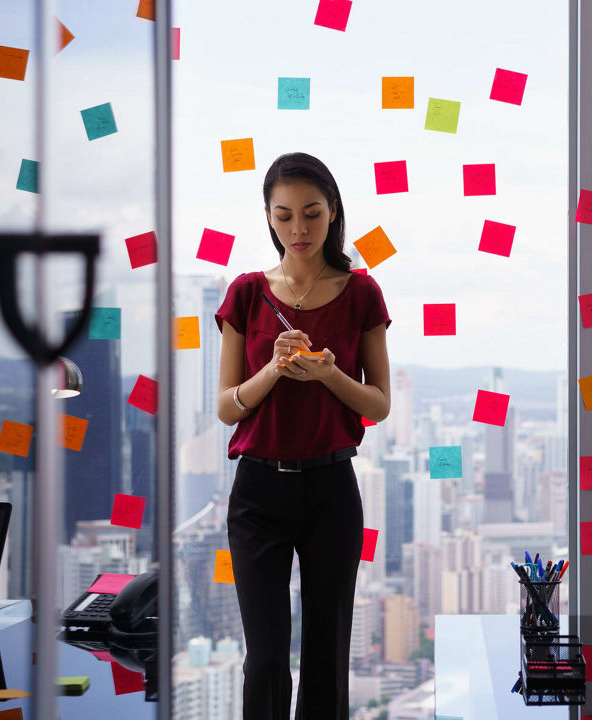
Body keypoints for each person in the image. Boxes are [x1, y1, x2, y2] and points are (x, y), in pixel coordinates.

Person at [215, 152, 391, 719]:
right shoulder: (245, 293)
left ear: (334, 213)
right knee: (264, 657)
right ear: (267, 217)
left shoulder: (362, 292)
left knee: (326, 651)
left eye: (312, 214)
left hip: (331, 489)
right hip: (257, 493)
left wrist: (329, 374)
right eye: (285, 215)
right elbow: (224, 408)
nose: (299, 229)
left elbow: (379, 404)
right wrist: (270, 370)